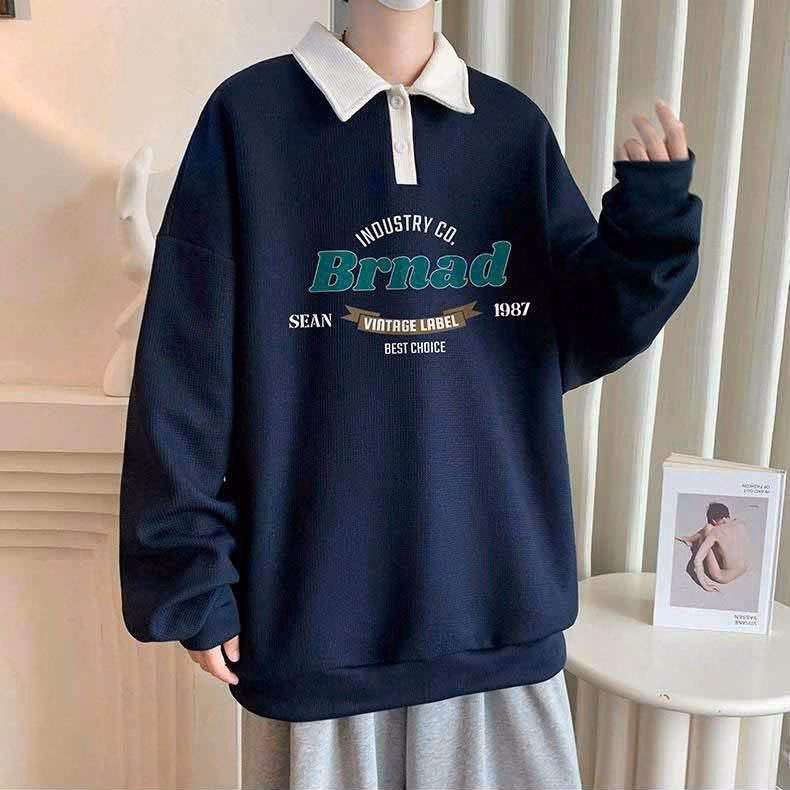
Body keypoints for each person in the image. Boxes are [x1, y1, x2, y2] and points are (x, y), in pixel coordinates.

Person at [118, 0, 702, 787]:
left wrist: (650, 233)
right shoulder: (248, 120)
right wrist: (190, 569)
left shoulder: (511, 130)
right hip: (316, 624)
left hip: (496, 615)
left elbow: (574, 336)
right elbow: (184, 373)